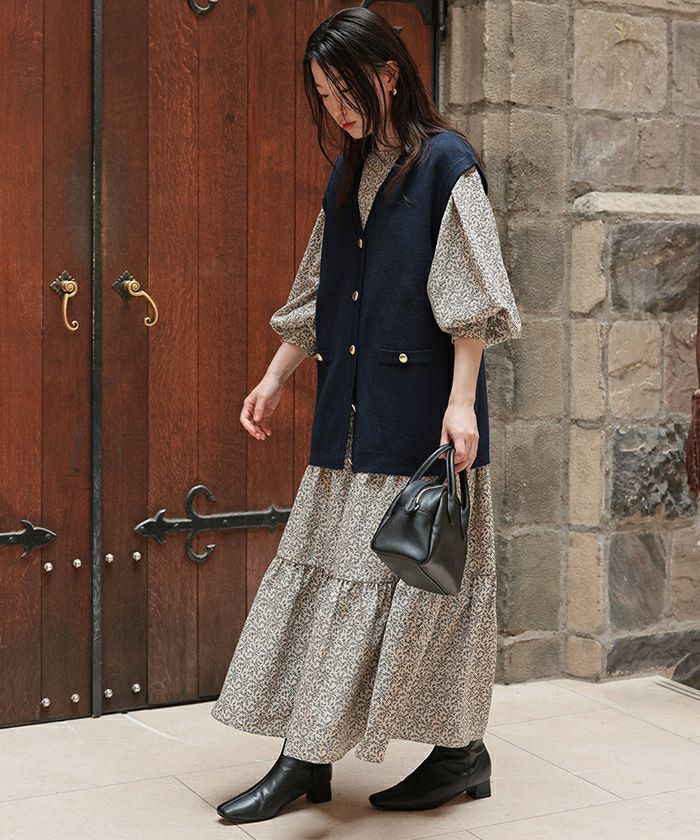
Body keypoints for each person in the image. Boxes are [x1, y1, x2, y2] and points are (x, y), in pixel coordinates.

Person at [210, 6, 521, 824]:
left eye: (345, 91)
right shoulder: (350, 172)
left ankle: (353, 758)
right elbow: (320, 290)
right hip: (348, 420)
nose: (337, 109)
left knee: (425, 591)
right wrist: (274, 377)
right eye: (322, 95)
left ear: (387, 74)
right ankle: (404, 755)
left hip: (420, 425)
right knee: (344, 588)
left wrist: (461, 404)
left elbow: (471, 298)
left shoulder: (447, 163)